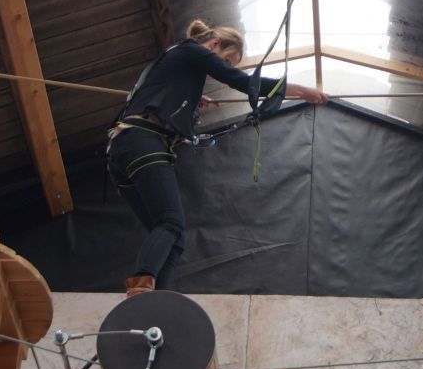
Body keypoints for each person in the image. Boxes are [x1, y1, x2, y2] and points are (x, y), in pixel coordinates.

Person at [107, 20, 327, 296]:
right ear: (214, 45)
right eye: (226, 61)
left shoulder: (175, 58)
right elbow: (244, 83)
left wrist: (191, 97)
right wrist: (299, 91)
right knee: (170, 223)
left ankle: (155, 298)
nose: (225, 68)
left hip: (122, 149)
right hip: (144, 142)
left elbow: (158, 89)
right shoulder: (194, 50)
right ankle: (142, 284)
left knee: (171, 238)